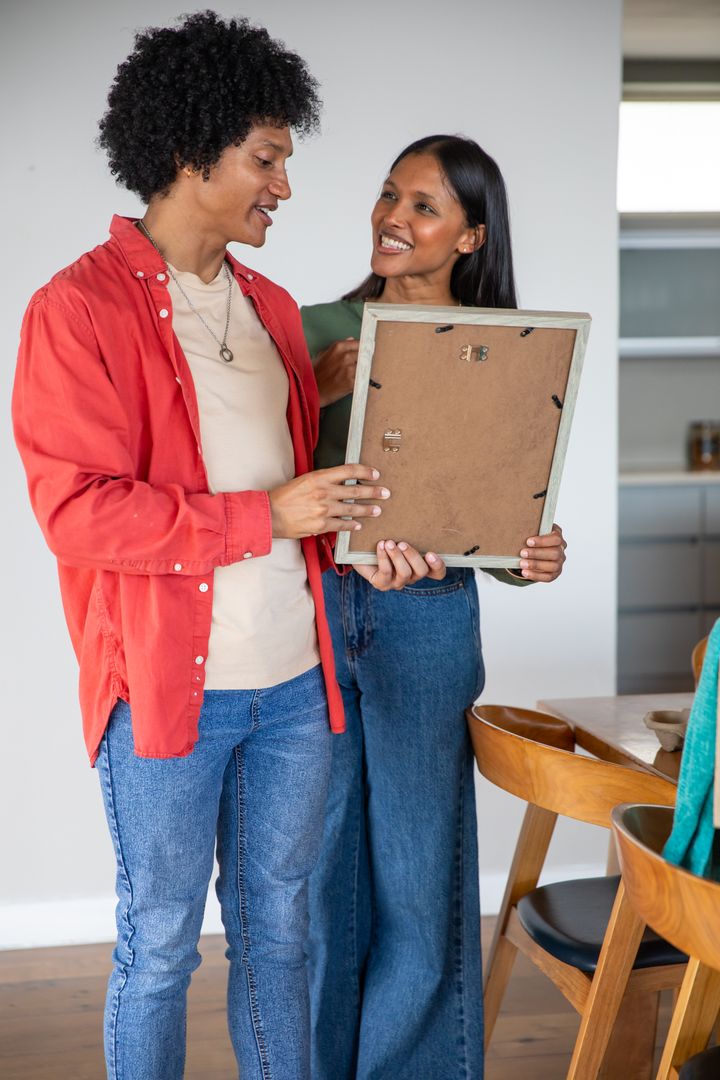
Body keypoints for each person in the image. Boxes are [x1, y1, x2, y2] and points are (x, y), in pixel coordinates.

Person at [12, 13, 388, 1080]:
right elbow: (79, 512)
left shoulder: (270, 308)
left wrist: (322, 399)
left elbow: (243, 449)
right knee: (161, 947)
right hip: (168, 695)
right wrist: (266, 517)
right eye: (266, 158)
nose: (284, 184)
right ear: (191, 151)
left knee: (283, 935)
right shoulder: (76, 310)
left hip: (292, 681)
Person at [301, 134, 568, 1080]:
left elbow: (490, 513)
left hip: (428, 621)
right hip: (318, 619)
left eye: (423, 207)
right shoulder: (312, 326)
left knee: (419, 879)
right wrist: (310, 390)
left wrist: (531, 555)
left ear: (469, 236)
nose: (393, 217)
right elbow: (256, 487)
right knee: (320, 882)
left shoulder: (505, 347)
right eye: (389, 195)